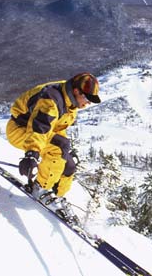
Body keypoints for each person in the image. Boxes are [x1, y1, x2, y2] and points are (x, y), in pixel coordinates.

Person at [7, 72, 101, 213]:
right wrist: (32, 154)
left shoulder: (70, 102)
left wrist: (66, 152)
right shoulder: (51, 99)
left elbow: (56, 128)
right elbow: (39, 128)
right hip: (20, 130)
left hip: (37, 132)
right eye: (87, 99)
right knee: (58, 149)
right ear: (76, 91)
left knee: (69, 165)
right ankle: (41, 189)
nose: (87, 103)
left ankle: (57, 197)